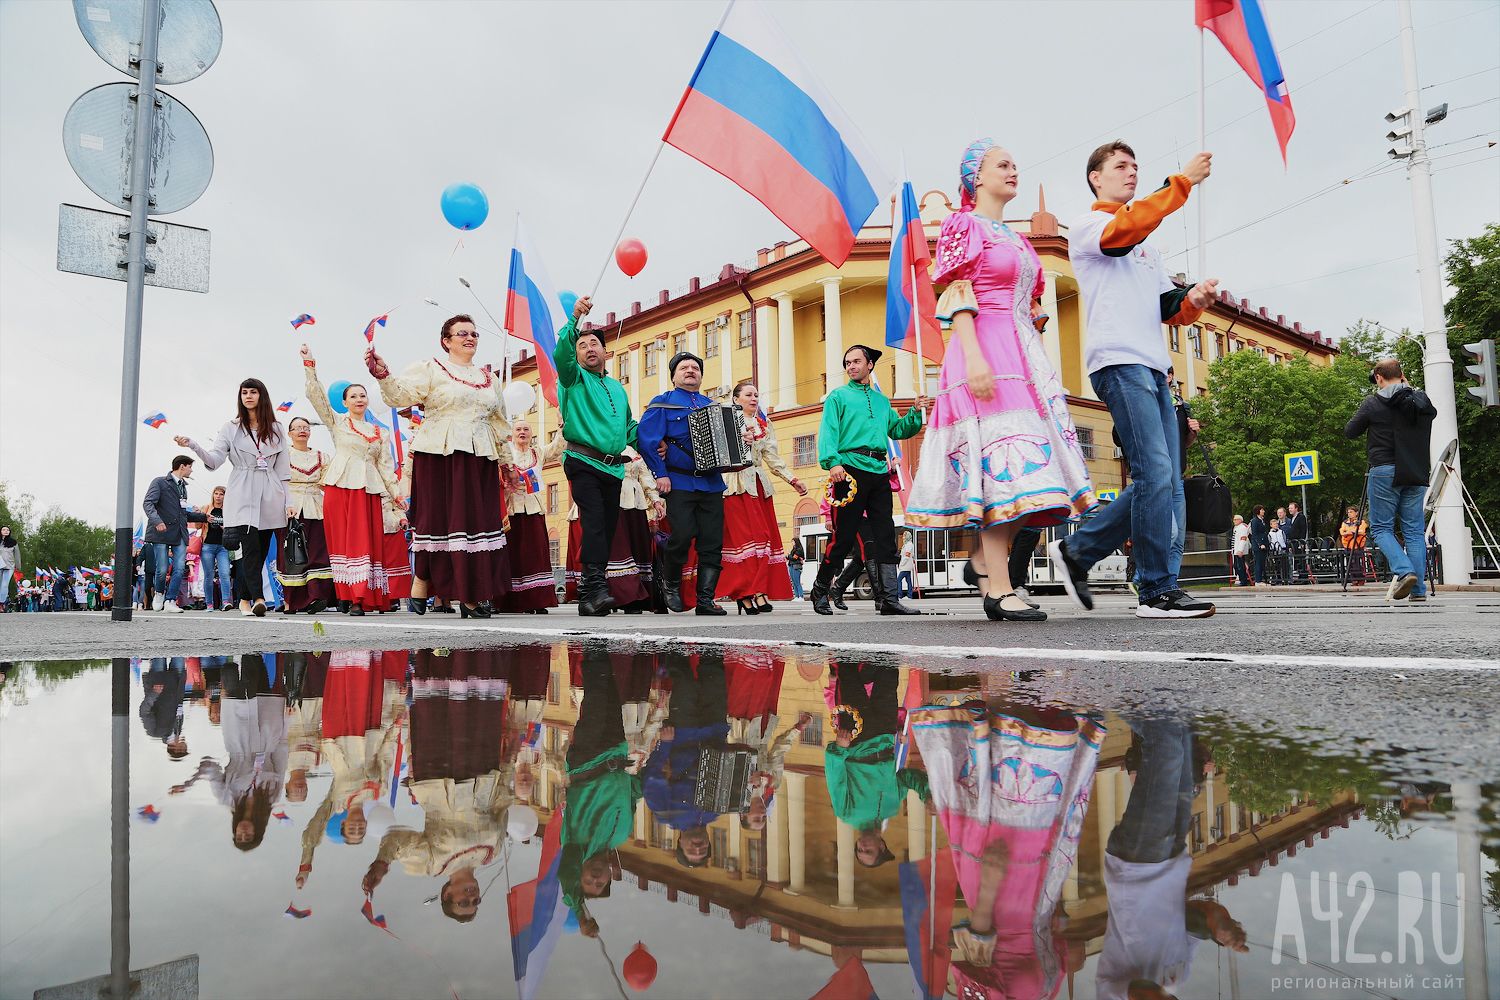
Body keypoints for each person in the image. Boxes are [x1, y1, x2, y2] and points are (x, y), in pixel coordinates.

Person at [907, 139, 1095, 623]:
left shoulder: (1016, 237)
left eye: (1015, 163)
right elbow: (957, 293)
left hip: (1021, 354)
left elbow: (1028, 300)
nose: (1013, 170)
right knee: (1004, 468)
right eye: (1002, 164)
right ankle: (999, 588)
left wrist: (1032, 326)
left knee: (1035, 474)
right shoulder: (963, 224)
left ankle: (985, 568)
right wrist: (972, 357)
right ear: (977, 177)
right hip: (984, 350)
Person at [1046, 141, 1218, 619]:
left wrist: (1193, 300)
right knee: (1155, 475)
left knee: (1161, 479)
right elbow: (1124, 229)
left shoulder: (1149, 247)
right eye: (1120, 166)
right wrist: (1180, 183)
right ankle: (1156, 590)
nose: (1131, 173)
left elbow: (1166, 307)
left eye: (1136, 168)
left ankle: (1077, 553)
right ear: (1095, 178)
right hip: (1118, 363)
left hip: (1154, 367)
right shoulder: (1089, 227)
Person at [911, 695, 1103, 999]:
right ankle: (1035, 699)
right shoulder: (1044, 994)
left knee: (1009, 806)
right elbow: (1060, 945)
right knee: (1031, 807)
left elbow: (979, 948)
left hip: (1000, 889)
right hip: (1033, 891)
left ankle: (1022, 698)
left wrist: (989, 885)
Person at [366, 315, 513, 619]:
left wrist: (508, 464)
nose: (470, 338)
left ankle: (469, 590)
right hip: (440, 454)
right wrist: (383, 374)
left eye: (474, 334)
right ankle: (426, 580)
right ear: (446, 341)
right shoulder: (431, 369)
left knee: (477, 524)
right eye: (462, 333)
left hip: (480, 456)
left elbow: (500, 423)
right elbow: (399, 395)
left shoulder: (489, 379)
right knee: (442, 521)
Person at [1095, 717, 1247, 999]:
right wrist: (1220, 928)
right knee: (1183, 734)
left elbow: (1140, 992)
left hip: (1138, 864)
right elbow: (1197, 915)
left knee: (1166, 744)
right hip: (1173, 851)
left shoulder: (1112, 995)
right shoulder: (1179, 977)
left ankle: (1102, 683)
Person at [810, 344, 927, 616]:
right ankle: (820, 589)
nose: (851, 367)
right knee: (843, 536)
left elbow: (899, 430)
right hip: (848, 470)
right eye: (847, 363)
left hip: (878, 471)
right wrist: (832, 462)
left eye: (856, 362)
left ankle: (888, 599)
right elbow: (828, 431)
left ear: (870, 365)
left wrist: (915, 412)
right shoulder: (837, 396)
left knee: (886, 535)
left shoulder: (881, 401)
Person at [552, 297, 640, 618]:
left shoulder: (618, 388)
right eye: (583, 345)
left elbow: (629, 427)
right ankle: (595, 587)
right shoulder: (573, 379)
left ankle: (591, 593)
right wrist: (574, 319)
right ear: (576, 354)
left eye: (595, 344)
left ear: (605, 353)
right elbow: (560, 353)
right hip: (582, 462)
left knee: (607, 525)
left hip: (613, 469)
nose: (589, 348)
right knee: (594, 525)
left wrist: (657, 441)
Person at [301, 346, 405, 615]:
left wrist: (396, 494)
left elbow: (386, 466)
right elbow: (316, 397)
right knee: (343, 543)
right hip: (339, 488)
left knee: (366, 543)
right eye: (353, 396)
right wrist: (309, 365)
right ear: (344, 402)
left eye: (363, 395)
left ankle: (365, 596)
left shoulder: (379, 433)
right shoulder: (338, 423)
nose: (359, 399)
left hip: (368, 491)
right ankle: (348, 595)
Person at [176, 379, 291, 617]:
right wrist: (195, 446)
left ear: (262, 396)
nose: (248, 396)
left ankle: (245, 599)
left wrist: (288, 501)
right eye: (244, 392)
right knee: (249, 547)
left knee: (261, 547)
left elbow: (283, 471)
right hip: (242, 489)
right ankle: (259, 598)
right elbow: (215, 459)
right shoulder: (231, 427)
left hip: (270, 490)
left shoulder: (277, 428)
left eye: (253, 392)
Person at [639, 351, 733, 616]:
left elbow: (727, 445)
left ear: (701, 376)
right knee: (681, 536)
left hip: (712, 484)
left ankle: (705, 600)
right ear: (673, 376)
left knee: (712, 542)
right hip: (678, 481)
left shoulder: (713, 405)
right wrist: (661, 473)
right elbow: (646, 440)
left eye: (695, 368)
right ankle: (670, 584)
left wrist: (742, 442)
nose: (691, 371)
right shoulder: (662, 404)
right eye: (684, 368)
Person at [1345, 356, 1437, 603]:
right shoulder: (1421, 401)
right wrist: (1408, 388)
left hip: (1385, 470)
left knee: (1382, 528)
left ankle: (1405, 571)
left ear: (1378, 377)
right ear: (1402, 375)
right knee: (1414, 532)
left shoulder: (1373, 403)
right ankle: (1418, 592)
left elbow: (1350, 431)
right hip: (1416, 473)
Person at [824, 660, 929, 867]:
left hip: (856, 738)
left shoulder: (846, 814)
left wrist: (839, 748)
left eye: (859, 849)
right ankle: (885, 637)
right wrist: (927, 794)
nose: (861, 845)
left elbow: (835, 778)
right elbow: (907, 778)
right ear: (881, 846)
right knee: (888, 675)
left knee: (849, 674)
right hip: (884, 734)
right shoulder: (892, 808)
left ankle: (844, 636)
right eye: (867, 850)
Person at [718, 381, 806, 615]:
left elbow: (772, 457)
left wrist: (792, 479)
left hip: (758, 484)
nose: (754, 398)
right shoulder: (726, 420)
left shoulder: (763, 424)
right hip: (735, 485)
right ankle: (744, 593)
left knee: (764, 538)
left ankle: (758, 590)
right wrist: (738, 440)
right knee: (743, 541)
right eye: (748, 394)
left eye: (756, 394)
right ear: (736, 399)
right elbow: (718, 452)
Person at [499, 420, 564, 613]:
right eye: (518, 429)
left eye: (526, 429)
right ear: (512, 433)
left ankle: (536, 600)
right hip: (512, 510)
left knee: (535, 555)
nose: (522, 432)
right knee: (513, 555)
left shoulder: (537, 452)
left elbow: (557, 448)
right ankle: (512, 601)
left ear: (531, 433)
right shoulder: (506, 454)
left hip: (533, 508)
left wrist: (560, 428)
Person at [276, 419, 335, 614]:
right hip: (290, 508)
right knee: (291, 555)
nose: (302, 431)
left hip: (316, 508)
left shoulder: (322, 456)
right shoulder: (281, 456)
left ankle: (315, 597)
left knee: (317, 553)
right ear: (289, 433)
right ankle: (291, 601)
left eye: (306, 428)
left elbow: (329, 483)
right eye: (297, 428)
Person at [141, 455, 209, 613]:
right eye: (190, 467)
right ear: (182, 466)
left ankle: (170, 600)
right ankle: (159, 594)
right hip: (161, 532)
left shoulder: (183, 487)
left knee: (179, 568)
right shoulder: (159, 482)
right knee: (162, 569)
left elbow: (183, 513)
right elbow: (148, 503)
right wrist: (157, 521)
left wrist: (204, 517)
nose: (191, 470)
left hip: (179, 533)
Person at [1339, 505, 1369, 585]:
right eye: (1348, 512)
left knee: (1356, 563)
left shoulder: (1361, 522)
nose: (1349, 514)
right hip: (1347, 545)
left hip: (1357, 545)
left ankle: (1360, 578)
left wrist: (1349, 532)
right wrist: (1351, 532)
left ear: (1356, 513)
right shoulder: (1345, 522)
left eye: (1351, 512)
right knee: (1350, 563)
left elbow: (1361, 531)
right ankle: (1354, 579)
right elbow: (1342, 532)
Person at [1285, 501, 1309, 583]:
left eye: (1291, 508)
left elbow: (1303, 529)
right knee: (1297, 559)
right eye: (1289, 508)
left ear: (1296, 508)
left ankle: (1304, 577)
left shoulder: (1301, 517)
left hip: (1299, 541)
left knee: (1301, 558)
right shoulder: (1292, 518)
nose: (1290, 510)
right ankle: (1300, 575)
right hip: (1293, 541)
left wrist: (1302, 542)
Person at [0, 526, 18, 612]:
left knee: (4, 585)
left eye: (7, 530)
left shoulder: (13, 542)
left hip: (9, 566)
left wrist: (18, 567)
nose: (6, 531)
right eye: (4, 529)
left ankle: (1, 604)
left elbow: (17, 555)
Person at [1231, 514, 1252, 586]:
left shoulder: (1242, 528)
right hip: (1236, 550)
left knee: (1240, 566)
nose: (1234, 521)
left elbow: (1243, 539)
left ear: (1240, 520)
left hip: (1239, 550)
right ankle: (1241, 579)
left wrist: (1240, 550)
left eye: (1235, 519)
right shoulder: (1237, 527)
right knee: (1237, 566)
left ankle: (1243, 581)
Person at [897, 530, 917, 600]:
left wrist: (901, 564)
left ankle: (899, 595)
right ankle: (909, 595)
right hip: (908, 566)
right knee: (908, 581)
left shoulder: (908, 545)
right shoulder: (908, 544)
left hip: (905, 566)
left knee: (898, 580)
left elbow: (907, 556)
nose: (903, 537)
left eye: (904, 536)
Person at [1267, 518, 1287, 584]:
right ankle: (1277, 578)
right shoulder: (1270, 534)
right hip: (1274, 550)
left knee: (1283, 565)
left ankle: (1284, 578)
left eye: (1276, 524)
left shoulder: (1281, 531)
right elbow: (1269, 541)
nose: (1276, 525)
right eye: (1274, 524)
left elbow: (1284, 539)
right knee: (1276, 566)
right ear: (1271, 525)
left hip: (1282, 550)